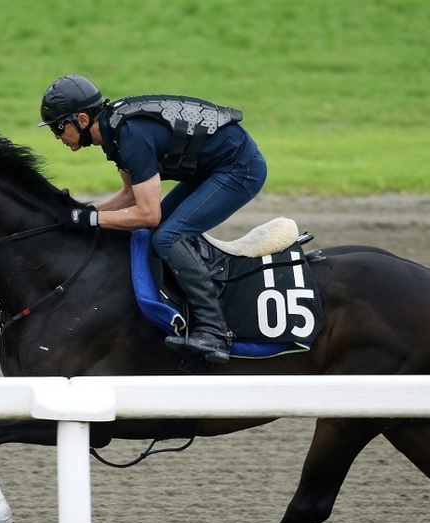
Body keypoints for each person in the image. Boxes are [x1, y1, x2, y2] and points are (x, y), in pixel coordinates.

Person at [37, 74, 267, 364]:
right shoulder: (114, 130)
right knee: (162, 232)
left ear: (81, 119)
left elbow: (147, 213)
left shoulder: (130, 136)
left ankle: (214, 331)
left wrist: (89, 220)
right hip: (215, 168)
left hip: (239, 169)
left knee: (168, 237)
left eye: (59, 128)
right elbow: (130, 196)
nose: (58, 137)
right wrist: (84, 212)